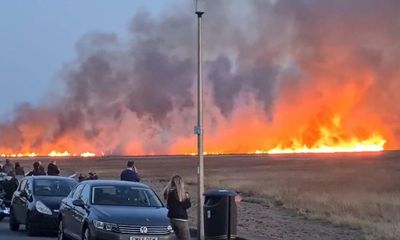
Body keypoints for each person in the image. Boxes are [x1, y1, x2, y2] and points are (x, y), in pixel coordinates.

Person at [163, 175, 191, 240]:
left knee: (177, 237)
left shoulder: (169, 192)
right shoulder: (181, 194)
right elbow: (187, 205)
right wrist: (187, 198)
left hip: (172, 218)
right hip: (181, 220)